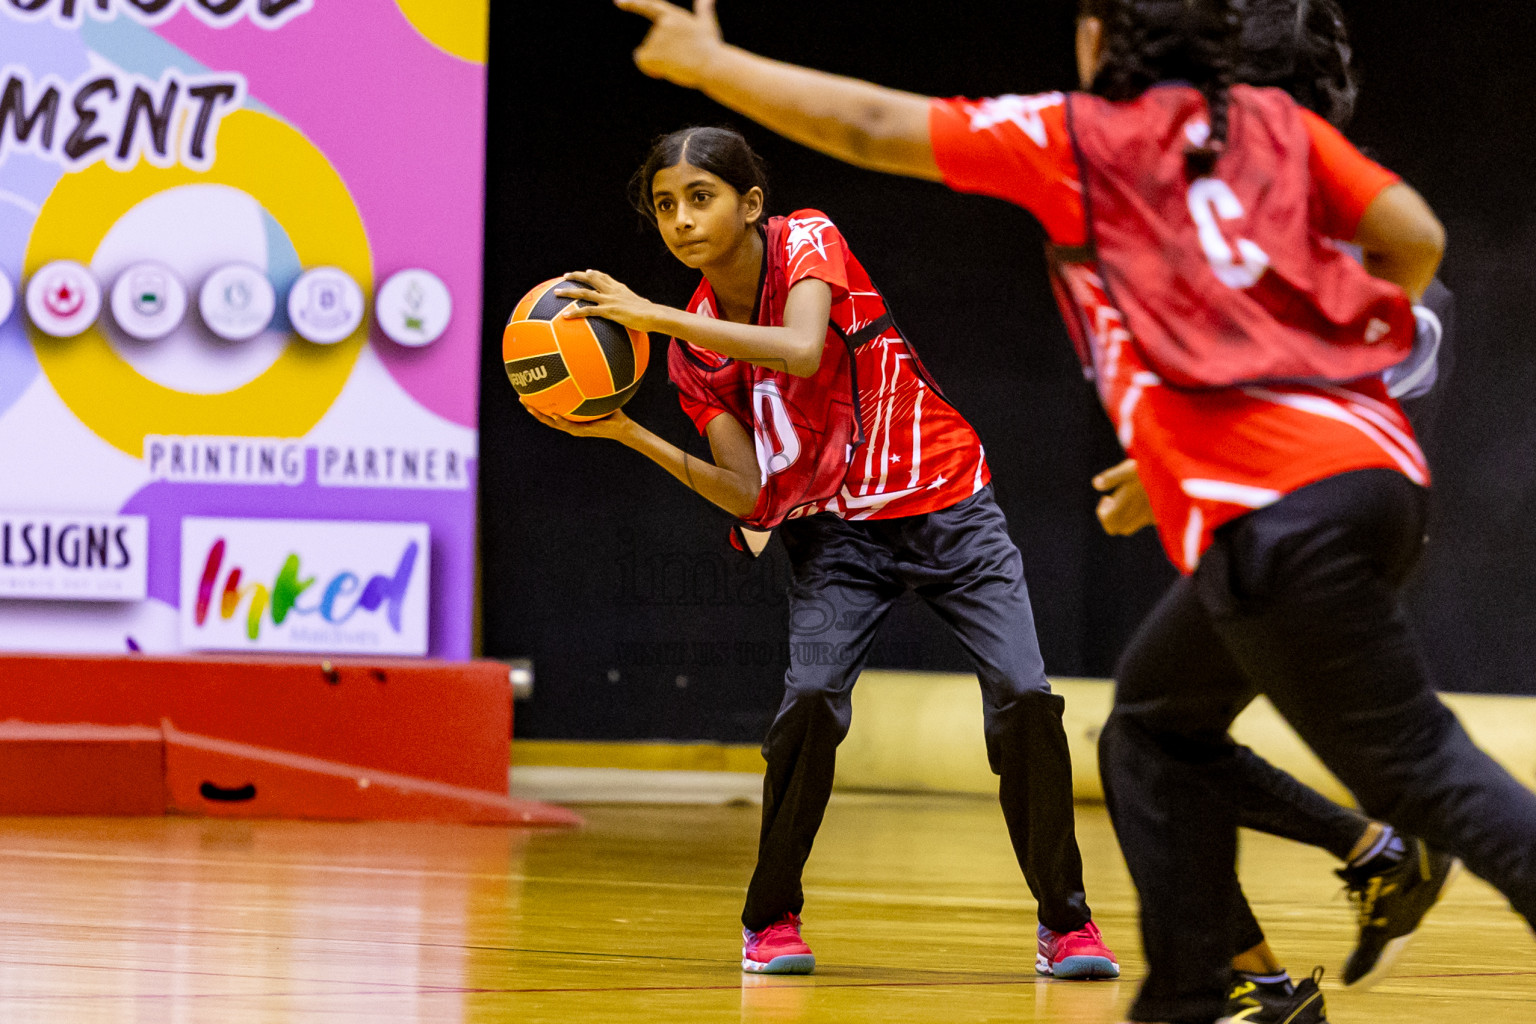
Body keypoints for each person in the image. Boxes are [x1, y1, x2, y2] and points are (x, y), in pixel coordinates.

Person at [608, 3, 1536, 1023]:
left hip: (1249, 507)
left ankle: (1228, 942)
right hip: (1373, 480)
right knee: (1147, 727)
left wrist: (712, 63)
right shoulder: (1279, 129)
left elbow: (871, 126)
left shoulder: (1081, 137)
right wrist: (1206, 438)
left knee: (1416, 769)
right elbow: (1416, 243)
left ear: (1098, 38)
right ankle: (1235, 991)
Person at [522, 125, 1120, 980]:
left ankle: (1066, 924)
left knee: (1026, 695)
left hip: (948, 500)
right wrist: (623, 430)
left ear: (750, 204)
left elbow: (802, 347)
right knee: (808, 700)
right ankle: (770, 920)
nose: (682, 220)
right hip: (834, 534)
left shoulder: (809, 237)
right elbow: (745, 493)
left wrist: (647, 313)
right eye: (665, 206)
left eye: (701, 198)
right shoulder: (691, 345)